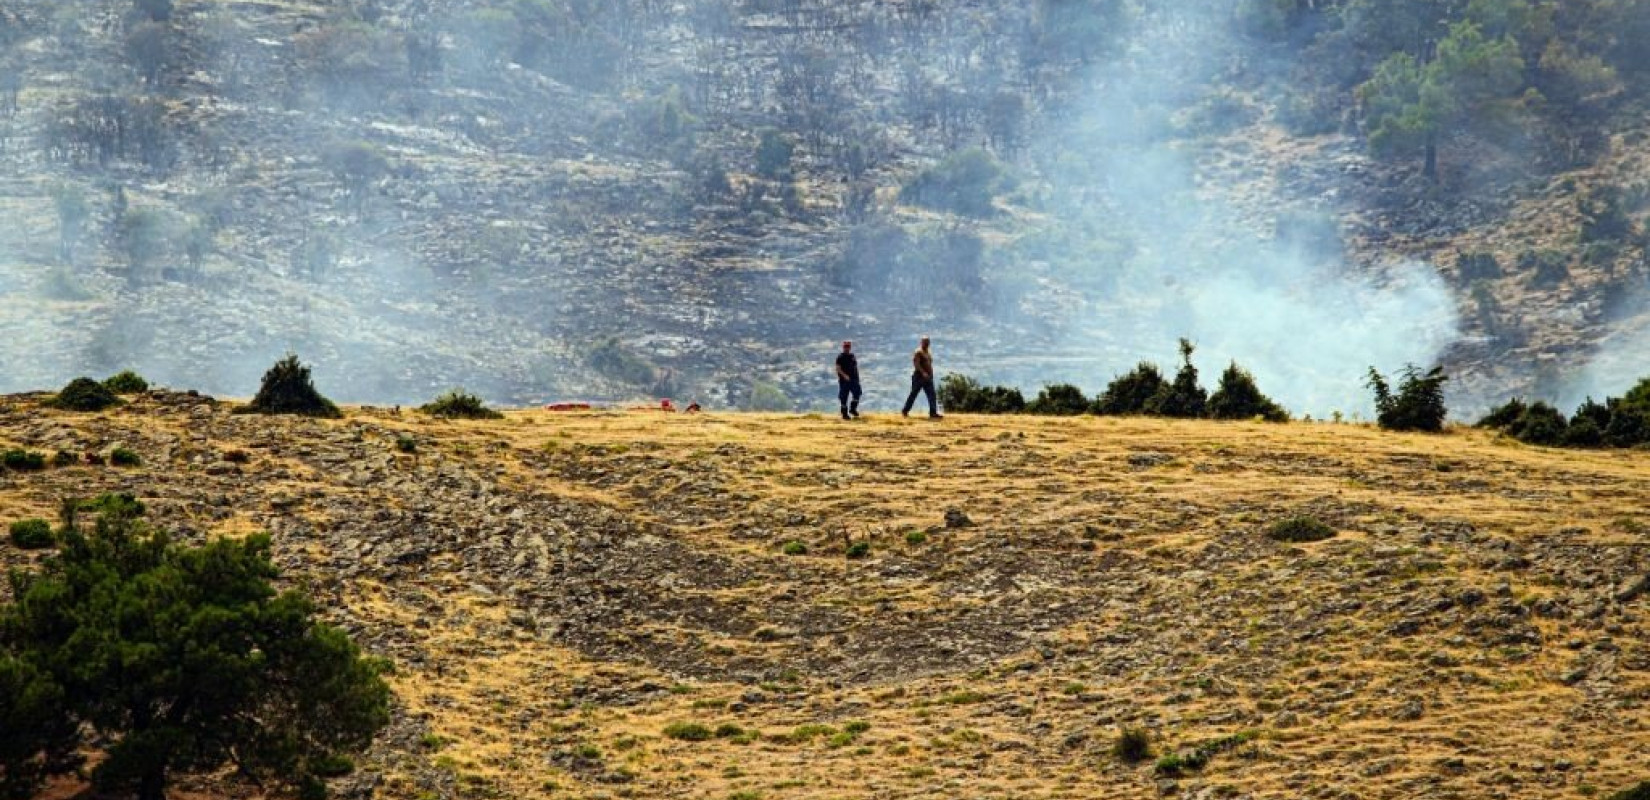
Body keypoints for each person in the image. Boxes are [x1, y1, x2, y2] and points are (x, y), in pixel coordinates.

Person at [901, 336, 941, 419]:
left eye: (928, 342)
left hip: (928, 378)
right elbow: (916, 364)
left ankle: (933, 413)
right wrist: (923, 373)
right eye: (925, 342)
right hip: (919, 377)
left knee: (932, 394)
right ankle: (905, 410)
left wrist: (930, 374)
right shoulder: (918, 352)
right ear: (921, 342)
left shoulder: (928, 353)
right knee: (913, 394)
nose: (927, 344)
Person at [835, 340, 862, 420]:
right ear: (843, 347)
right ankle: (844, 414)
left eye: (848, 347)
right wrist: (844, 375)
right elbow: (838, 368)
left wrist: (857, 378)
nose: (847, 348)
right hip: (844, 381)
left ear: (850, 347)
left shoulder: (852, 356)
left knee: (857, 393)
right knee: (843, 397)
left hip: (853, 379)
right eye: (845, 347)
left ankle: (853, 409)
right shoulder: (840, 357)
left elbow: (855, 367)